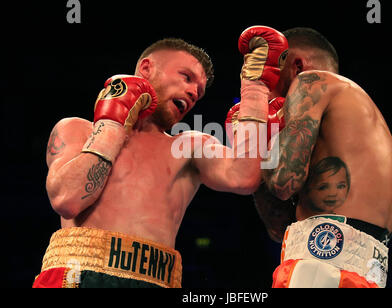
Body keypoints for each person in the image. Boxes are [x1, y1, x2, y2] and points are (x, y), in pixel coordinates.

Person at [33, 27, 289, 288]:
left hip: (156, 279)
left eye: (198, 92)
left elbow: (244, 177)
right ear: (146, 69)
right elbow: (67, 199)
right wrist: (111, 126)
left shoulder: (188, 146)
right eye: (186, 77)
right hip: (78, 274)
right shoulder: (77, 129)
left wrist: (255, 88)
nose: (192, 93)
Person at [251, 27, 392, 288]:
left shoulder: (311, 81)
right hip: (366, 271)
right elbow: (278, 227)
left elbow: (282, 182)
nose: (270, 93)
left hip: (319, 264)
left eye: (270, 76)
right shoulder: (363, 118)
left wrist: (256, 140)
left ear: (295, 65)